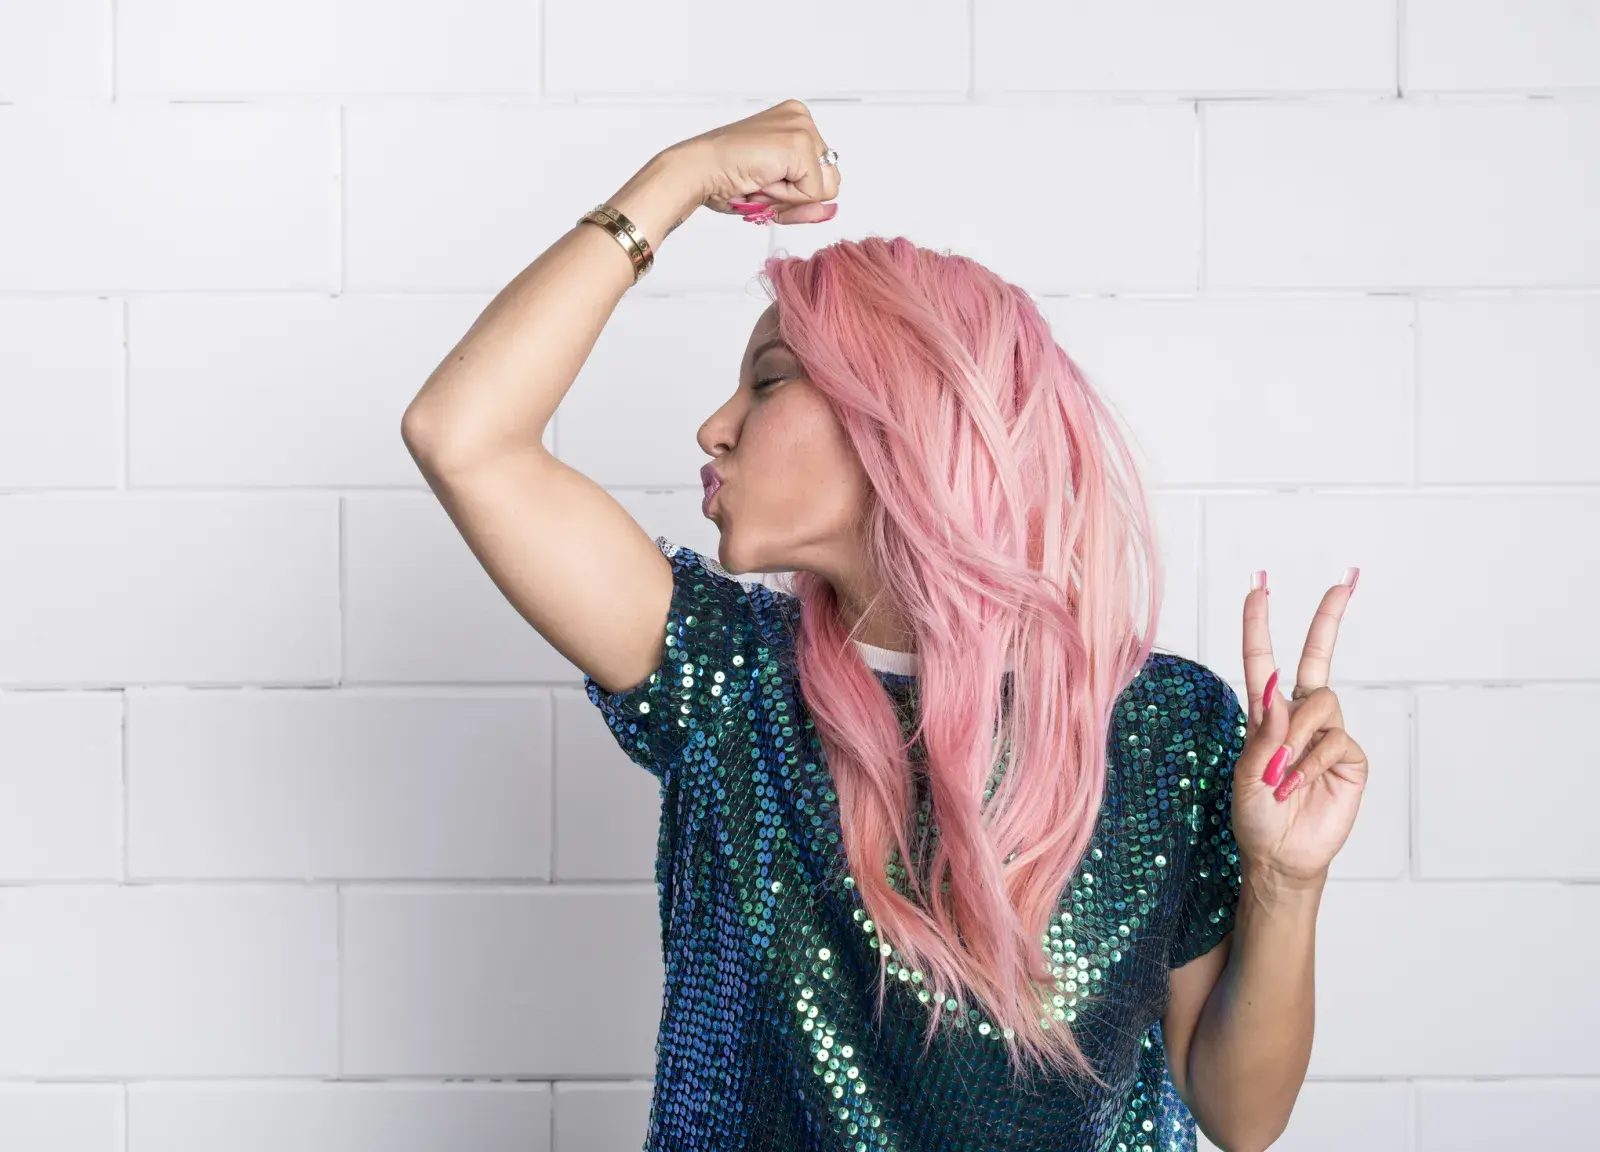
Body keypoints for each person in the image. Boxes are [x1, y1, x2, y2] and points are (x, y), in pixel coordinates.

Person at [401, 99, 1370, 1152]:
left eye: (768, 381)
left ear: (899, 417)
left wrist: (1287, 882)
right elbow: (463, 435)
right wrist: (679, 177)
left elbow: (1242, 1116)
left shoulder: (1162, 728)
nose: (713, 428)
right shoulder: (726, 677)